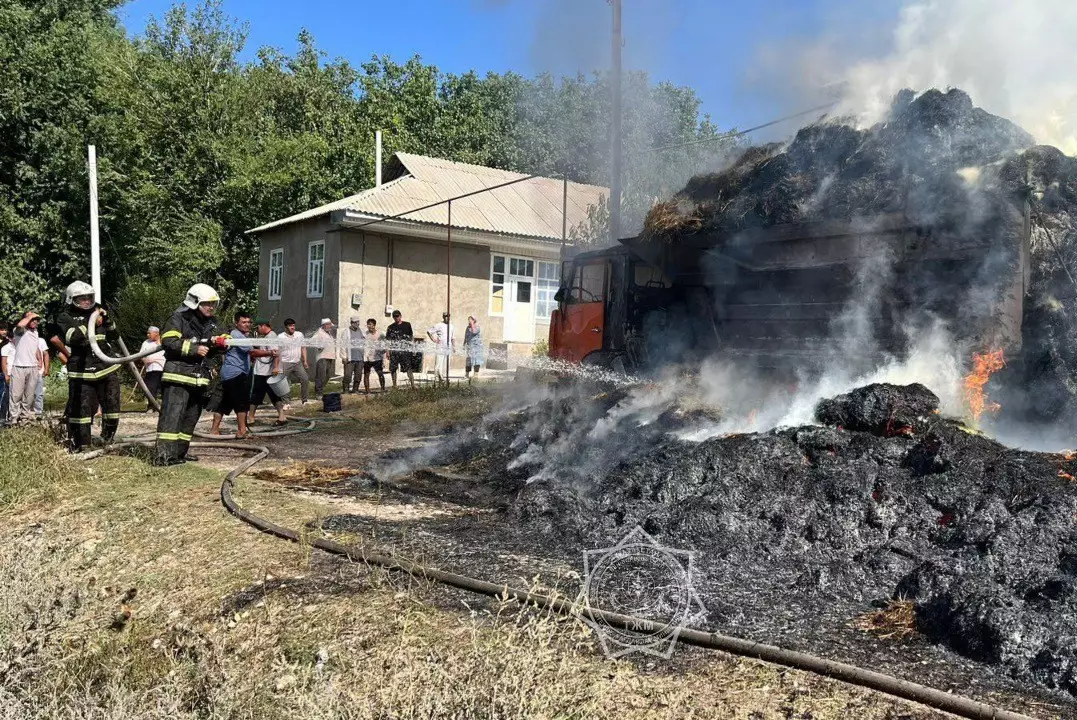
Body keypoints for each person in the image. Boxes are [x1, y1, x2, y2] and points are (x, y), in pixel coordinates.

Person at [154, 283, 228, 466]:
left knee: (190, 419)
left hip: (199, 378)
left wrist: (224, 342)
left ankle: (179, 453)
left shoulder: (213, 322)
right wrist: (194, 349)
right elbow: (169, 342)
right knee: (172, 418)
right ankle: (164, 457)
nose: (211, 307)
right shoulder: (178, 318)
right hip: (178, 377)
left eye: (213, 304)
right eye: (207, 304)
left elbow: (223, 337)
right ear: (194, 302)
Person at [57, 282, 123, 450]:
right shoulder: (65, 316)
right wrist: (91, 322)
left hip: (106, 366)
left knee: (112, 406)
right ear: (72, 299)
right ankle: (81, 445)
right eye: (82, 299)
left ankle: (107, 440)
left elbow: (115, 335)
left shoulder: (100, 310)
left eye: (89, 298)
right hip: (82, 370)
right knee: (82, 410)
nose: (86, 301)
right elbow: (73, 338)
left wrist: (107, 319)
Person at [209, 312, 253, 438]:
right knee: (242, 402)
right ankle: (241, 431)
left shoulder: (243, 336)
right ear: (236, 323)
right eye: (243, 322)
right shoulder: (235, 334)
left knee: (225, 402)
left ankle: (214, 430)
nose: (247, 324)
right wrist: (270, 353)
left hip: (231, 374)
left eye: (249, 322)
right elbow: (250, 351)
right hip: (235, 373)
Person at [248, 319, 286, 426]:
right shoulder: (268, 337)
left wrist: (275, 367)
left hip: (265, 372)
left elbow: (276, 353)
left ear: (263, 326)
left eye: (258, 328)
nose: (257, 330)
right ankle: (281, 416)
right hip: (264, 371)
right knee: (270, 394)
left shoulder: (271, 337)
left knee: (257, 394)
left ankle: (251, 417)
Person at [8, 312, 45, 424]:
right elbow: (20, 325)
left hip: (33, 367)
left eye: (36, 320)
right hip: (19, 366)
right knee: (16, 395)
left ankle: (25, 418)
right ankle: (13, 419)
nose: (35, 321)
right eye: (32, 319)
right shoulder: (19, 331)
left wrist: (40, 360)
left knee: (29, 395)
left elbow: (35, 347)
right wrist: (29, 316)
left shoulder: (36, 333)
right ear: (26, 319)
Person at [277, 318, 309, 404]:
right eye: (290, 326)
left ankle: (305, 400)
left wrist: (305, 361)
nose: (292, 328)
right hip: (285, 362)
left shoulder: (299, 335)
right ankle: (286, 402)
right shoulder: (280, 337)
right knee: (284, 383)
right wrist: (278, 366)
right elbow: (278, 351)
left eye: (293, 325)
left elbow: (303, 347)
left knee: (305, 379)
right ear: (286, 327)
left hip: (297, 362)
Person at [385, 310, 417, 389]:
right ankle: (394, 385)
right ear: (393, 317)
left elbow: (411, 337)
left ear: (400, 316)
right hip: (394, 351)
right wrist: (387, 351)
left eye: (397, 316)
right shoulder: (390, 327)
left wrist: (413, 348)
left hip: (405, 351)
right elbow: (387, 341)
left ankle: (413, 385)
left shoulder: (407, 325)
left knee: (408, 368)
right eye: (395, 316)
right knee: (393, 369)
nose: (396, 318)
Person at [139, 326, 166, 410]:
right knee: (150, 388)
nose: (147, 335)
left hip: (163, 369)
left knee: (164, 389)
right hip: (151, 369)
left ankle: (166, 407)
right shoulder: (146, 343)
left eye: (149, 333)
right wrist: (144, 359)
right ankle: (151, 406)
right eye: (147, 333)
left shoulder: (164, 342)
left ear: (156, 333)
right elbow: (141, 355)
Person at [426, 312, 455, 384]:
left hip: (448, 347)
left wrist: (453, 346)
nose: (447, 317)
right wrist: (434, 339)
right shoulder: (439, 325)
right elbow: (429, 331)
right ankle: (436, 377)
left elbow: (453, 337)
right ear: (443, 317)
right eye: (445, 316)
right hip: (440, 347)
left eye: (448, 316)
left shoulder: (452, 326)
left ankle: (443, 377)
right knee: (439, 362)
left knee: (446, 363)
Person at [361, 318, 386, 394]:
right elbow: (363, 345)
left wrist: (384, 352)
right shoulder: (365, 334)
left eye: (371, 324)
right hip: (367, 358)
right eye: (368, 324)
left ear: (374, 325)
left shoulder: (380, 334)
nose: (369, 326)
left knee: (380, 373)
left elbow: (385, 344)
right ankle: (367, 391)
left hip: (377, 358)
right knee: (366, 374)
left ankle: (382, 389)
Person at [313, 318, 336, 396]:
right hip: (322, 357)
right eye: (328, 325)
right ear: (324, 325)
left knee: (328, 375)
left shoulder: (328, 333)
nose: (330, 326)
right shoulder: (319, 333)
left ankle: (320, 390)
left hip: (329, 357)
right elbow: (312, 341)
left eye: (330, 325)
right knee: (321, 375)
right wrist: (319, 346)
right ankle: (318, 393)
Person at [340, 316, 364, 393]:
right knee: (347, 375)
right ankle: (346, 390)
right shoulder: (346, 332)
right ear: (352, 323)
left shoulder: (360, 330)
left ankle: (355, 389)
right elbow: (343, 345)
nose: (358, 324)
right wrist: (343, 357)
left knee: (358, 375)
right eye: (356, 322)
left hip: (360, 358)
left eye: (358, 322)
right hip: (350, 358)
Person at [464, 315, 485, 383]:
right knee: (468, 361)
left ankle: (476, 375)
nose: (469, 321)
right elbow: (466, 336)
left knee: (476, 361)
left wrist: (472, 324)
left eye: (471, 320)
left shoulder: (477, 327)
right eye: (469, 320)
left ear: (474, 320)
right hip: (470, 347)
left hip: (477, 347)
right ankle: (467, 374)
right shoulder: (468, 327)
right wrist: (464, 344)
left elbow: (474, 332)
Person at [34, 333, 49, 417]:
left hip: (39, 370)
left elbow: (46, 354)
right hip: (26, 370)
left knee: (38, 393)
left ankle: (38, 412)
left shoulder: (41, 340)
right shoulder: (22, 340)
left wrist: (46, 369)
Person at [0, 321, 11, 424]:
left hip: (3, 372)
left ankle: (3, 416)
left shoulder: (7, 342)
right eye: (2, 329)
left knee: (3, 394)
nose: (4, 332)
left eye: (5, 330)